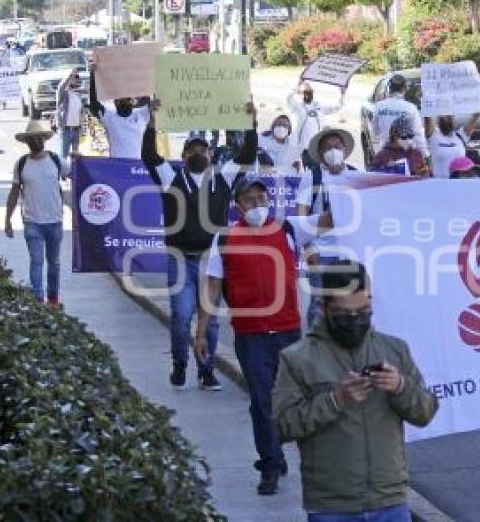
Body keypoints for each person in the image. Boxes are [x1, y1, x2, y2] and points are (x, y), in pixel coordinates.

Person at [196, 175, 332, 496]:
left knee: (292, 399)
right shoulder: (226, 238)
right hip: (250, 335)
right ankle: (270, 463)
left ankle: (287, 452)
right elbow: (213, 285)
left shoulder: (288, 229)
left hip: (287, 332)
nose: (257, 205)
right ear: (238, 205)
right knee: (261, 400)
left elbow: (330, 219)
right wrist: (201, 331)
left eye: (261, 199)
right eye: (249, 200)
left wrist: (344, 185)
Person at [273, 260, 439, 520]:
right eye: (344, 314)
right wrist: (335, 400)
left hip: (389, 502)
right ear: (324, 308)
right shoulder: (297, 358)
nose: (354, 321)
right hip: (331, 506)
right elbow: (282, 426)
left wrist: (400, 387)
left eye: (363, 312)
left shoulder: (394, 350)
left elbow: (426, 411)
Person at [141, 99, 259, 391]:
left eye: (202, 149)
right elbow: (148, 155)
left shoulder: (223, 177)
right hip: (180, 257)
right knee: (181, 316)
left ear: (210, 153)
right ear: (183, 155)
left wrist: (251, 124)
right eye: (192, 149)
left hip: (212, 261)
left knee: (212, 321)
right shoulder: (171, 177)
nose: (197, 153)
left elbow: (246, 154)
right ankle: (180, 364)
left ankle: (206, 371)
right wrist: (153, 123)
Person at [297, 127, 360, 328]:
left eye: (337, 146)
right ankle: (314, 348)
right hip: (321, 251)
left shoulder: (357, 176)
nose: (333, 150)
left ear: (344, 149)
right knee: (319, 305)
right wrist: (308, 248)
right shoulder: (311, 177)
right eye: (328, 147)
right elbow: (301, 215)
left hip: (350, 250)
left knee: (348, 303)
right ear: (321, 153)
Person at [4, 120, 68, 306]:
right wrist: (7, 219)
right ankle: (38, 300)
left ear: (44, 139)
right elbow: (14, 192)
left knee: (54, 262)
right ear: (27, 142)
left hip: (55, 221)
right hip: (32, 223)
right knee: (37, 261)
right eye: (32, 138)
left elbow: (77, 174)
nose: (35, 140)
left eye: (38, 137)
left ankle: (53, 298)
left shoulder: (56, 160)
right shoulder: (22, 164)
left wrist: (80, 159)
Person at [89, 64, 150, 158]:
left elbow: (149, 98)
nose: (124, 101)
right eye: (120, 100)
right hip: (117, 166)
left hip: (136, 167)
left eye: (127, 99)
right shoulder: (110, 118)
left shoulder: (141, 116)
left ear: (132, 102)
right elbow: (94, 103)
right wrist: (93, 76)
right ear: (115, 103)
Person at [286, 81, 346, 164]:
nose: (307, 94)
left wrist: (342, 94)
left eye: (309, 92)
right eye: (304, 92)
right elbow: (288, 98)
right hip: (302, 148)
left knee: (318, 171)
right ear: (299, 93)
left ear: (313, 93)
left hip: (316, 147)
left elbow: (337, 107)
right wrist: (298, 84)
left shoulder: (319, 106)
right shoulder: (296, 106)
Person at [372, 74, 428, 156]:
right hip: (405, 156)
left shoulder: (379, 106)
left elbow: (375, 131)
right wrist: (424, 154)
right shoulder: (410, 108)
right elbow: (418, 135)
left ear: (390, 89)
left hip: (385, 156)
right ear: (404, 88)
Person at [425, 112, 480, 178]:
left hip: (459, 182)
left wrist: (478, 110)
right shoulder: (433, 136)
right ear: (439, 120)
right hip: (439, 182)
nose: (446, 119)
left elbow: (475, 118)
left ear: (453, 120)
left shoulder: (460, 136)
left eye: (449, 117)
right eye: (443, 117)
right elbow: (427, 117)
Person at [55, 68, 84, 159]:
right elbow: (61, 86)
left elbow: (80, 112)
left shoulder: (78, 95)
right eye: (72, 77)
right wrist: (70, 74)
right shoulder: (62, 94)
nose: (74, 79)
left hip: (76, 130)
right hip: (65, 130)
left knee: (75, 157)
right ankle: (63, 173)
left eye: (75, 77)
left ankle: (73, 173)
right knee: (63, 156)